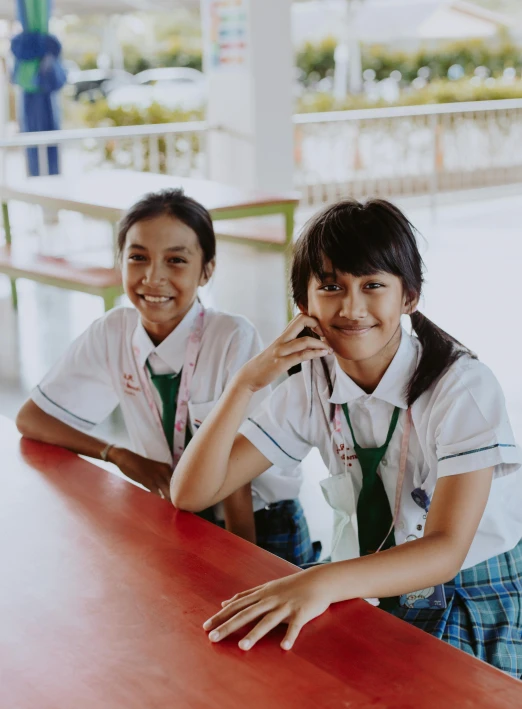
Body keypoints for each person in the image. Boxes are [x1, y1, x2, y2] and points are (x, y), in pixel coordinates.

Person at [171, 198, 522, 678]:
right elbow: (192, 492)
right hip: (377, 578)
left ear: (409, 298)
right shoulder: (311, 383)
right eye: (331, 286)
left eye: (373, 285)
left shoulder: (462, 386)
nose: (352, 307)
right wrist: (245, 383)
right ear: (304, 304)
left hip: (473, 584)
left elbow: (446, 550)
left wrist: (317, 581)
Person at [16, 188, 318, 566]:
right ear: (120, 262)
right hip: (178, 513)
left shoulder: (231, 337)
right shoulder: (113, 332)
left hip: (258, 523)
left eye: (176, 260)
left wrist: (244, 565)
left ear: (206, 270)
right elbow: (32, 419)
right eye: (138, 258)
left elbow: (238, 479)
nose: (153, 277)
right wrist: (119, 456)